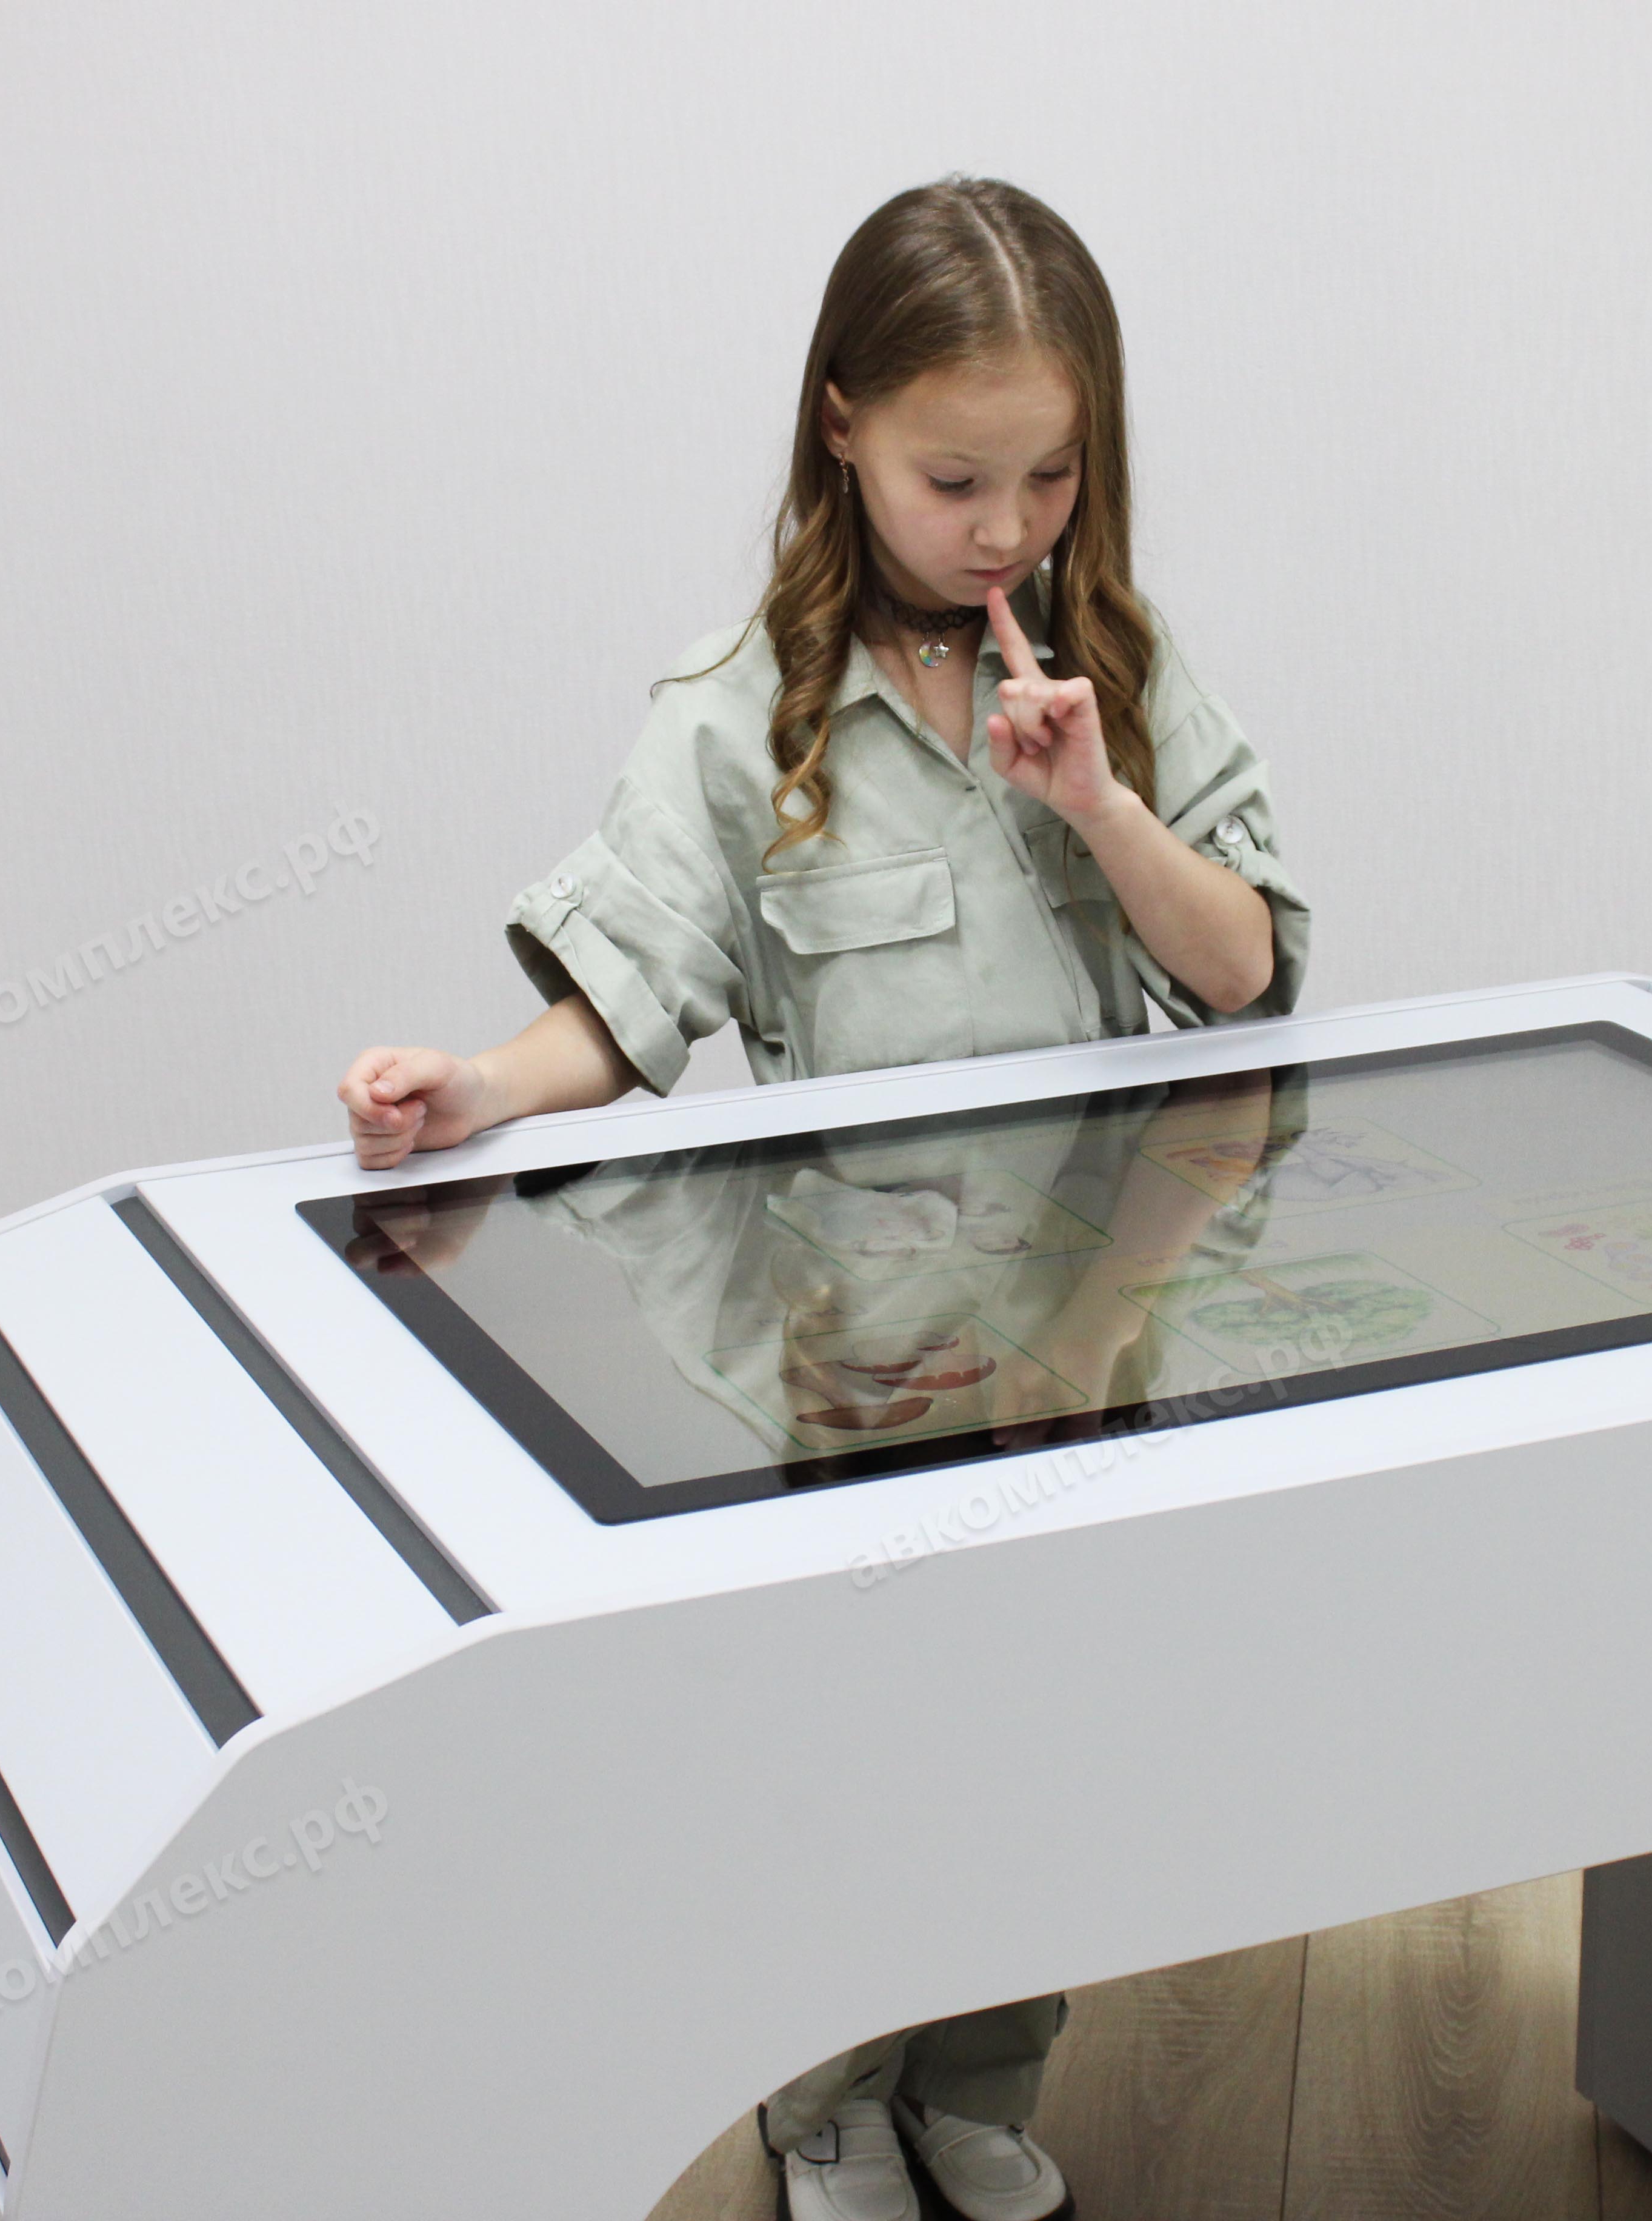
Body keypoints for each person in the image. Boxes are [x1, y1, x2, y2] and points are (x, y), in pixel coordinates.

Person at [333, 176, 1311, 2221]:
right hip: (848, 1364)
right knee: (850, 1757)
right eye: (957, 478)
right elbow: (626, 1002)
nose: (1006, 527)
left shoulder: (1118, 671)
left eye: (1052, 476)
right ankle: (825, 2100)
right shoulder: (736, 709)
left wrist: (1098, 803)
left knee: (1039, 1741)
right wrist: (476, 1089)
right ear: (843, 425)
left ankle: (979, 2079)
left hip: (1084, 1341)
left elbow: (1244, 975)